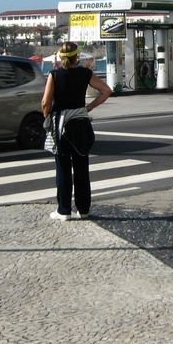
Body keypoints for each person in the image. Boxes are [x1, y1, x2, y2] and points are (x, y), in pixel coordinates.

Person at [41, 42, 113, 222]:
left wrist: (47, 116)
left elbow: (45, 103)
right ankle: (84, 209)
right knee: (82, 167)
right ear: (77, 57)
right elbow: (106, 91)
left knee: (63, 167)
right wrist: (88, 108)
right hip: (81, 123)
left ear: (60, 57)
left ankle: (64, 210)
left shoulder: (54, 75)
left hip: (61, 124)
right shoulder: (86, 73)